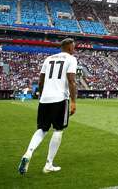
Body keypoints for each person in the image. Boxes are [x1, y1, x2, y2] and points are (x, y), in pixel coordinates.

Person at [18, 38, 78, 175]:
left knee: (42, 129)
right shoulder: (71, 59)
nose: (74, 50)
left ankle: (28, 153)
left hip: (45, 99)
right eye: (73, 47)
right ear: (69, 48)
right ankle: (48, 164)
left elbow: (40, 81)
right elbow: (71, 80)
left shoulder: (48, 59)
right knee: (58, 130)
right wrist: (73, 101)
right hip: (60, 99)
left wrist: (41, 95)